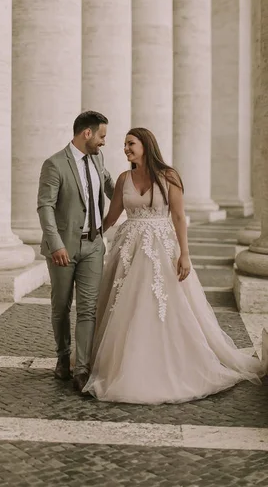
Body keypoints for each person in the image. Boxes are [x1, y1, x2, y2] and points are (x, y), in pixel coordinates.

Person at [83, 128, 264, 404]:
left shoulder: (169, 177)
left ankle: (171, 365)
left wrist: (185, 254)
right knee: (124, 305)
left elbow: (179, 216)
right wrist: (87, 235)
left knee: (160, 304)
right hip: (128, 249)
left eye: (130, 144)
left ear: (145, 145)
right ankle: (123, 365)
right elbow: (112, 216)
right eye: (124, 145)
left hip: (161, 249)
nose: (125, 149)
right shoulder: (123, 179)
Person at [37, 111, 115, 392]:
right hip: (63, 248)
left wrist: (141, 186)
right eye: (102, 136)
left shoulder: (98, 159)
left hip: (94, 245)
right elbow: (45, 206)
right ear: (87, 133)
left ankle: (81, 368)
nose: (104, 142)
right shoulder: (54, 164)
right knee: (61, 306)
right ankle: (62, 357)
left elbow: (111, 187)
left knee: (88, 308)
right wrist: (56, 243)